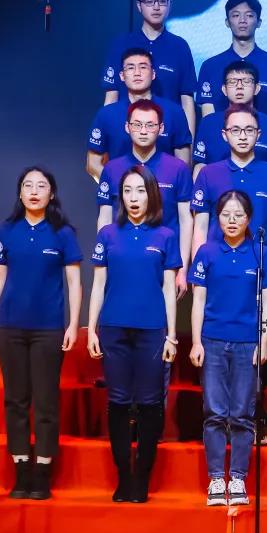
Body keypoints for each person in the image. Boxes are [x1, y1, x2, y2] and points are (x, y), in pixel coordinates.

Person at [0, 167, 82, 500]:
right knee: (16, 400)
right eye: (28, 185)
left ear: (52, 194)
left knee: (46, 401)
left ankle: (42, 473)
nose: (34, 191)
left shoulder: (63, 232)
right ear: (20, 192)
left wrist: (73, 324)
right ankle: (21, 469)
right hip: (10, 327)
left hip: (48, 330)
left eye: (41, 186)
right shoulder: (7, 230)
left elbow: (74, 282)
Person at [86, 165, 181, 503]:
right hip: (113, 328)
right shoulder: (108, 234)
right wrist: (91, 329)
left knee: (150, 403)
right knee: (118, 401)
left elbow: (169, 289)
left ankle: (142, 477)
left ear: (151, 194)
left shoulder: (166, 235)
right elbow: (98, 284)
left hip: (152, 329)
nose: (133, 197)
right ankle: (123, 477)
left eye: (140, 190)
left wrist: (171, 335)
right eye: (127, 191)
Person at [189, 190, 267, 506]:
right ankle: (216, 478)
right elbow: (198, 300)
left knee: (242, 413)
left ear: (249, 219)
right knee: (214, 413)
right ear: (218, 218)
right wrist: (196, 341)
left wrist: (263, 342)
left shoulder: (261, 252)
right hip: (212, 341)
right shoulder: (207, 252)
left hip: (247, 343)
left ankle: (238, 477)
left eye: (238, 215)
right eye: (226, 214)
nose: (232, 220)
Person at [191, 105, 267, 305]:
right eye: (235, 130)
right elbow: (200, 227)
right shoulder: (208, 173)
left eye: (249, 130)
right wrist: (198, 270)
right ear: (224, 135)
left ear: (258, 134)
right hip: (216, 266)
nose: (243, 136)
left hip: (260, 267)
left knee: (259, 321)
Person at [95, 99, 193, 296]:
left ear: (161, 128)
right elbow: (104, 217)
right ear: (127, 127)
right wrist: (102, 261)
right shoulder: (112, 169)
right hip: (121, 260)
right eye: (137, 124)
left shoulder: (178, 168)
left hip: (164, 263)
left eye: (150, 125)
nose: (143, 131)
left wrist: (182, 270)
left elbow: (186, 219)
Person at [101, 0, 196, 133]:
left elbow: (187, 101)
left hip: (168, 134)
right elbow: (111, 97)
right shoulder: (121, 44)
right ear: (139, 6)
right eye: (149, 1)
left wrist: (188, 142)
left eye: (162, 1)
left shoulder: (180, 46)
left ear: (170, 4)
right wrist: (107, 137)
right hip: (126, 133)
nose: (156, 7)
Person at [87, 48, 192, 180]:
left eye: (143, 67)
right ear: (122, 76)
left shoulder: (174, 112)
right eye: (130, 68)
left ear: (153, 74)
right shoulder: (106, 115)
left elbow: (184, 164)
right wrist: (118, 186)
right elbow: (93, 164)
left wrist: (161, 188)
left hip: (164, 190)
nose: (137, 73)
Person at [197, 0, 267, 125]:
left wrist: (259, 134)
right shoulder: (210, 66)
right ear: (227, 22)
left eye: (249, 15)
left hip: (265, 136)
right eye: (236, 15)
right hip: (221, 136)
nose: (242, 20)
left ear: (259, 22)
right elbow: (208, 118)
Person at [192, 61, 267, 176]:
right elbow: (200, 165)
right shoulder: (208, 124)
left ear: (257, 88)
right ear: (224, 89)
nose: (239, 86)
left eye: (246, 81)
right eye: (232, 82)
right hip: (218, 185)